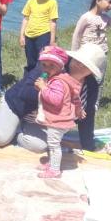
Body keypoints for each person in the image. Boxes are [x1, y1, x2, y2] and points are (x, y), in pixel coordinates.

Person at [0, 43, 106, 155]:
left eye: (85, 65)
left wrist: (88, 146)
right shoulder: (53, 65)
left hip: (38, 118)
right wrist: (48, 91)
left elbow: (86, 116)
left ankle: (15, 132)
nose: (79, 66)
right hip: (17, 105)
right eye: (78, 61)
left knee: (40, 147)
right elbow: (24, 93)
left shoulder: (90, 86)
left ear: (91, 71)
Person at [70, 0, 111, 150]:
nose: (110, 5)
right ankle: (78, 104)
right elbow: (76, 35)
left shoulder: (106, 18)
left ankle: (93, 105)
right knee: (83, 82)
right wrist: (74, 54)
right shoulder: (86, 17)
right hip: (86, 55)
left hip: (101, 55)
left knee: (99, 81)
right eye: (109, 1)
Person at [33, 46, 83, 179]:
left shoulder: (58, 82)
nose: (47, 69)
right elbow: (74, 96)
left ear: (60, 66)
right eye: (44, 65)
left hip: (58, 121)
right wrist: (42, 86)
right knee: (53, 144)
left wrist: (43, 88)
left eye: (51, 66)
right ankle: (52, 164)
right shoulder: (60, 78)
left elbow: (55, 100)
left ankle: (55, 170)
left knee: (54, 146)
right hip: (60, 119)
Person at [19, 0, 58, 74]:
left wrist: (52, 41)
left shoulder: (52, 2)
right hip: (29, 35)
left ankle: (42, 83)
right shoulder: (31, 1)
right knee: (30, 61)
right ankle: (28, 83)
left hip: (43, 34)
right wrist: (22, 36)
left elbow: (53, 22)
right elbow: (25, 19)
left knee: (42, 61)